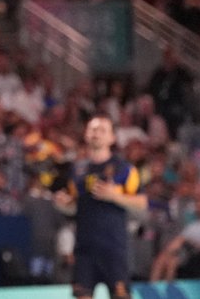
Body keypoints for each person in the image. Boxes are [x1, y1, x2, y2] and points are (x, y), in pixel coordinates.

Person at [55, 115, 147, 299]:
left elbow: (142, 203)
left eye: (102, 130)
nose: (96, 133)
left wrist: (115, 196)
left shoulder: (124, 169)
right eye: (92, 129)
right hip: (84, 251)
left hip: (113, 249)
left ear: (112, 138)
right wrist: (63, 205)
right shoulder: (77, 169)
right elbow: (74, 208)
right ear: (86, 135)